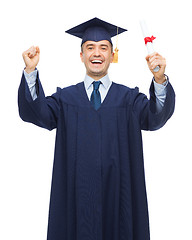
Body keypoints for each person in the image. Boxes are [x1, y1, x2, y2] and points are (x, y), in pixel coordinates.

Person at [18, 17, 175, 240]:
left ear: (113, 55)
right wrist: (30, 72)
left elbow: (155, 116)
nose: (97, 53)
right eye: (90, 48)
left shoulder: (129, 100)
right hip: (77, 199)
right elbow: (37, 112)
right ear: (81, 56)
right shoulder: (65, 99)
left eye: (103, 47)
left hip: (119, 200)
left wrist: (159, 79)